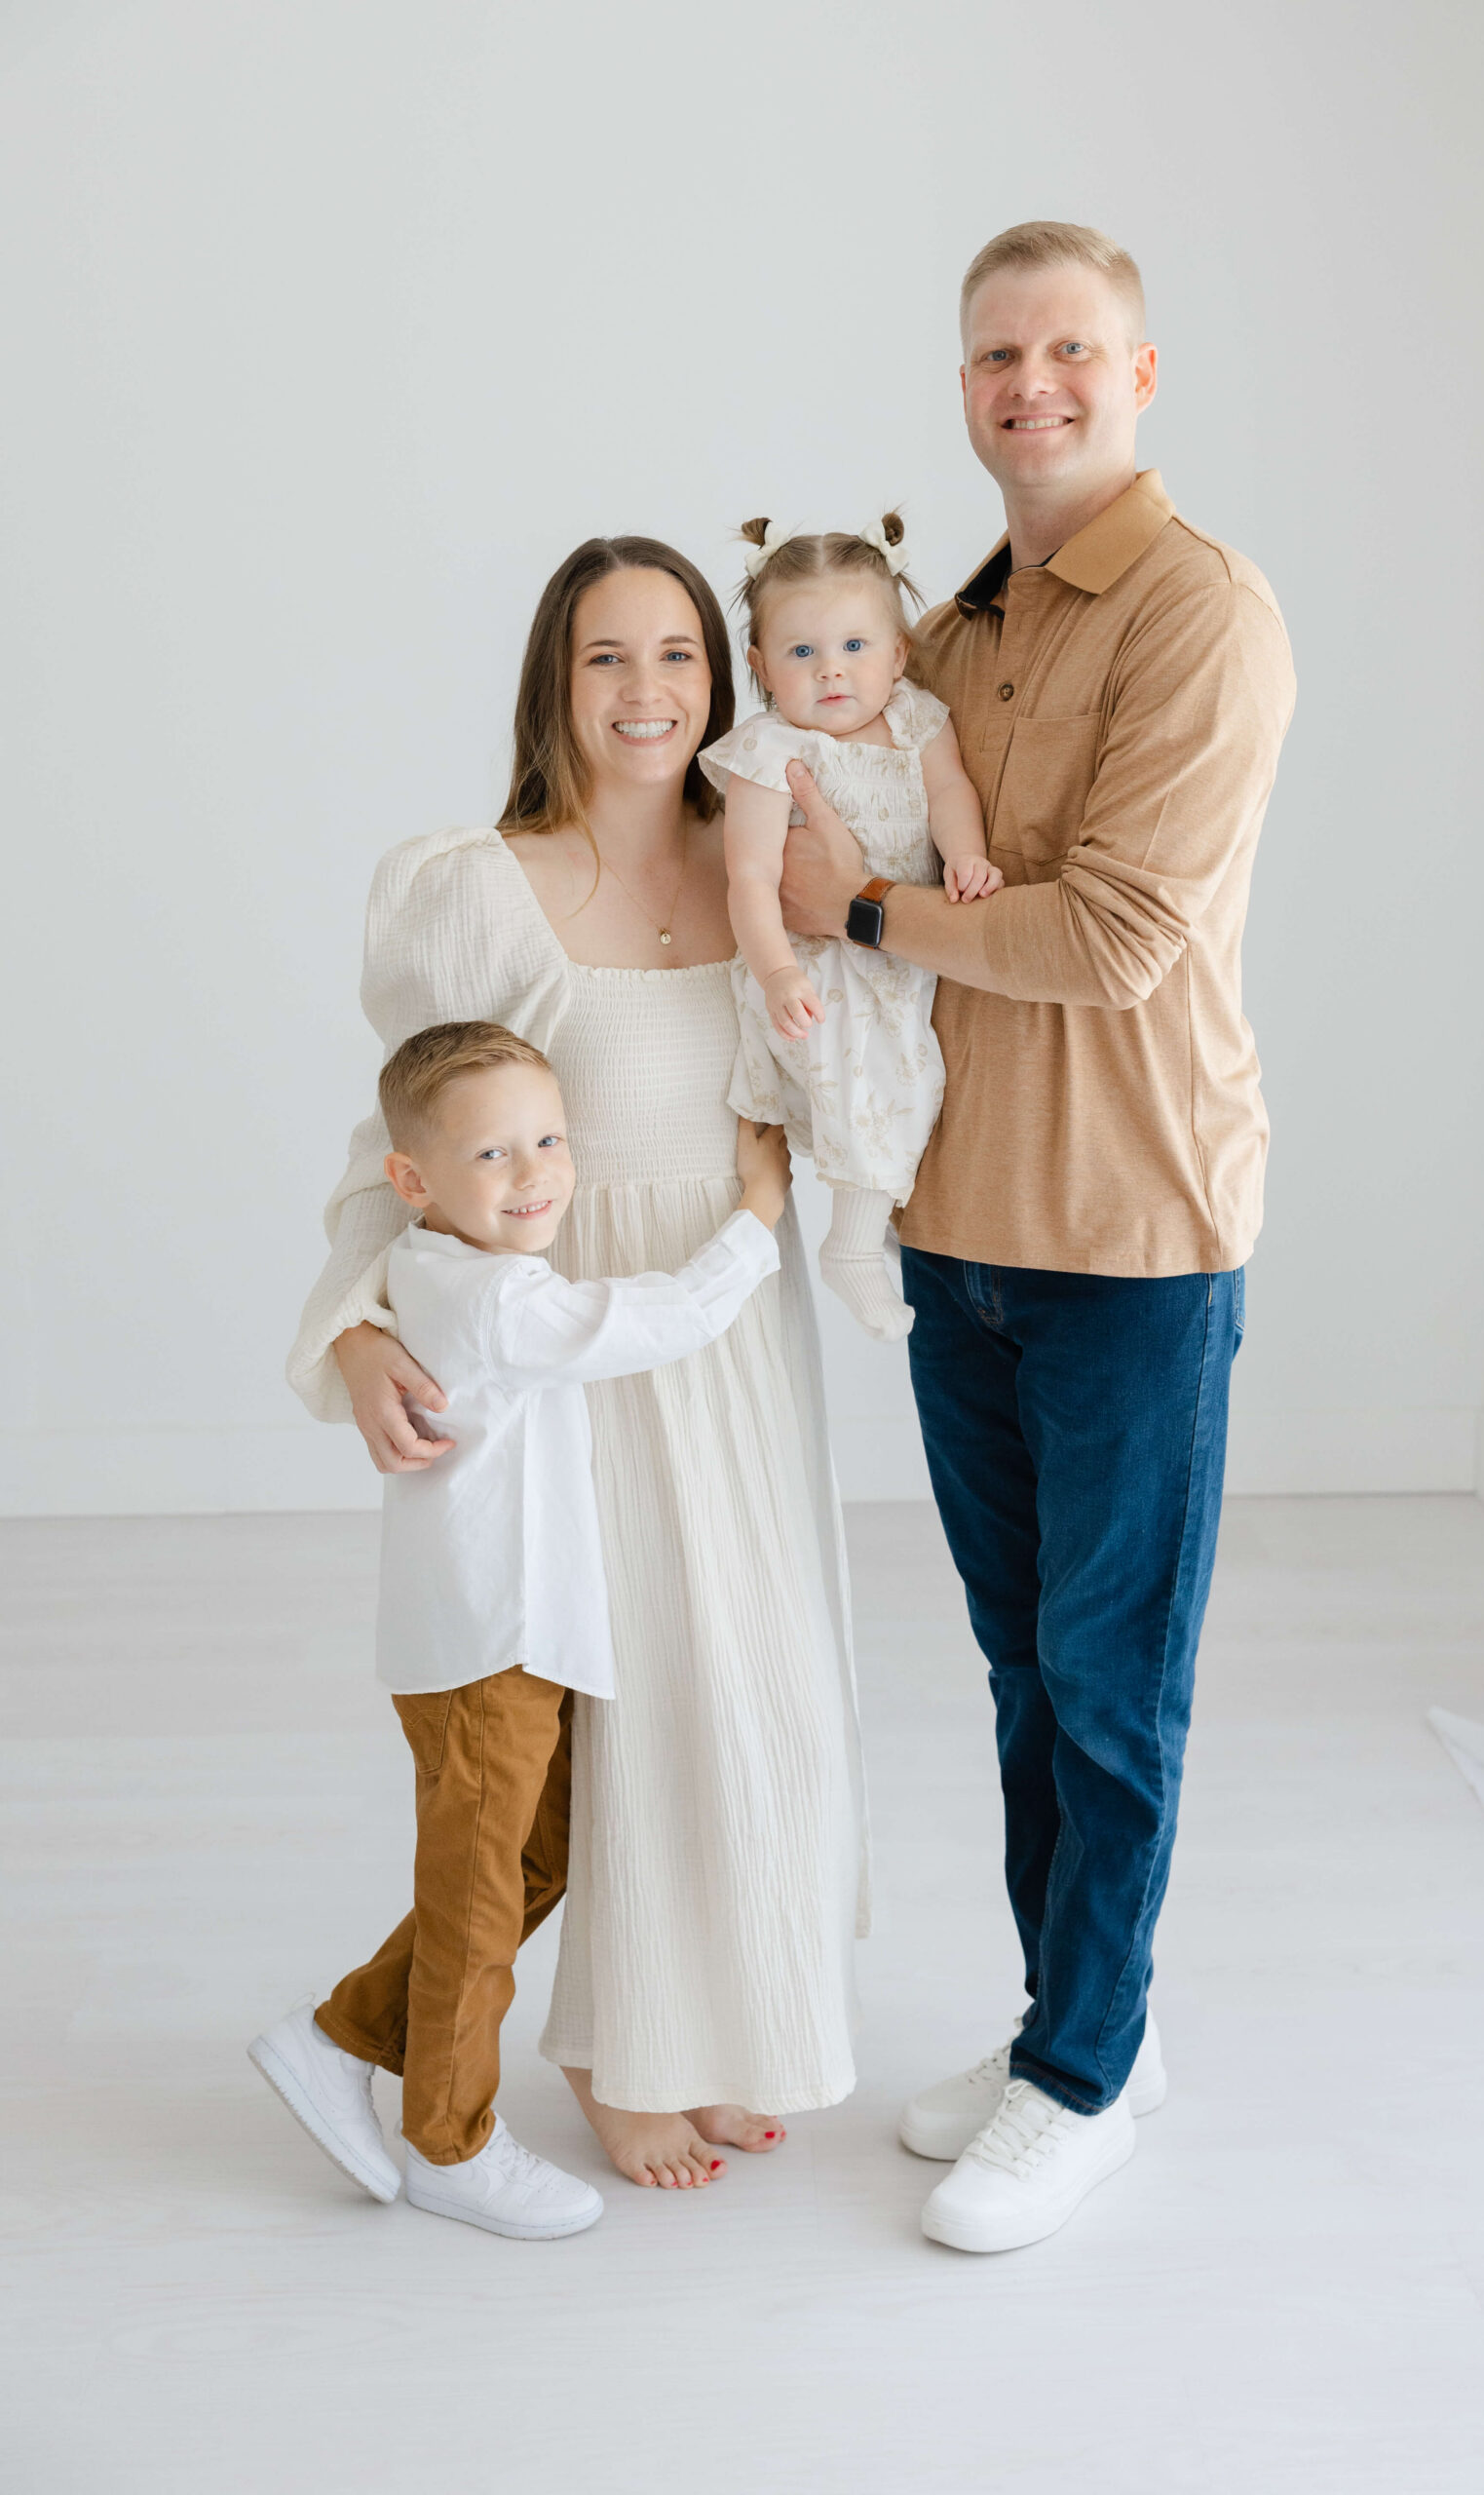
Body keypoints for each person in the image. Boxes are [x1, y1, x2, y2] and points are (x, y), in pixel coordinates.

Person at [778, 220, 1297, 2252]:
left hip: (1129, 1226)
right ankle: (1073, 2024)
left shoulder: (1198, 610)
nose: (1031, 386)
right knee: (1015, 1672)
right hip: (957, 1223)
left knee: (1106, 1683)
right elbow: (825, 790)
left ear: (1140, 369)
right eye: (997, 355)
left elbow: (1105, 931)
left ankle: (1084, 2075)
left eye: (1069, 350)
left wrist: (863, 917)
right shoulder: (955, 626)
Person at [285, 538, 865, 2194]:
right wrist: (355, 1321)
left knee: (762, 1693)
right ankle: (619, 2055)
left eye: (677, 655)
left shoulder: (768, 858)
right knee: (631, 1712)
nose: (646, 693)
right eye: (607, 657)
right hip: (578, 1346)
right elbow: (395, 1136)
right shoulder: (478, 883)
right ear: (557, 679)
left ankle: (734, 2015)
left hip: (735, 1329)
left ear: (720, 676)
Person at [251, 1022, 789, 2238]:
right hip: (488, 1648)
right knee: (485, 1900)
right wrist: (755, 1220)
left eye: (550, 1139)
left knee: (528, 1866)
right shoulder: (491, 1294)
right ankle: (450, 2139)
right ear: (414, 1181)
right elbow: (645, 1323)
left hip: (515, 1644)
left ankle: (340, 2036)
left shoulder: (439, 1264)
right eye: (492, 1153)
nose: (535, 1172)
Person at [702, 512, 1000, 1341]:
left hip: (900, 955)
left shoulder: (917, 719)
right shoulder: (770, 751)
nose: (830, 672)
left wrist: (966, 855)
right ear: (760, 666)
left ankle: (882, 1229)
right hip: (817, 969)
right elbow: (750, 878)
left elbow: (949, 796)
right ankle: (853, 1247)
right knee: (877, 1091)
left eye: (854, 648)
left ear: (898, 654)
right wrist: (777, 974)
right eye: (801, 653)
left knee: (920, 1091)